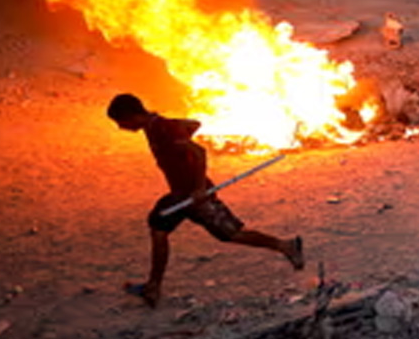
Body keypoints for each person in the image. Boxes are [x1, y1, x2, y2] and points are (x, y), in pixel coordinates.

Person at [107, 93, 304, 307]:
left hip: (195, 195)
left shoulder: (162, 128)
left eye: (121, 122)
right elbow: (194, 123)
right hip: (180, 196)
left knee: (232, 234)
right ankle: (153, 287)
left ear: (131, 115)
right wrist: (184, 133)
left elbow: (200, 152)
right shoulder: (156, 126)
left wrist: (200, 189)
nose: (121, 127)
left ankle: (286, 246)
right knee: (159, 227)